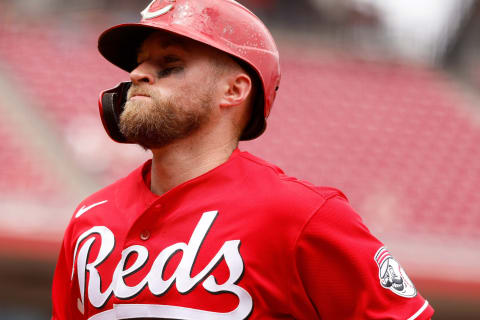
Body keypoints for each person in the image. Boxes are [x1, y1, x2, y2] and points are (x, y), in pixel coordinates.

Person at [52, 0, 434, 319]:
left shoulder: (302, 215)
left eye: (169, 65)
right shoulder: (91, 218)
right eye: (138, 64)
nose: (137, 74)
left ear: (234, 90)